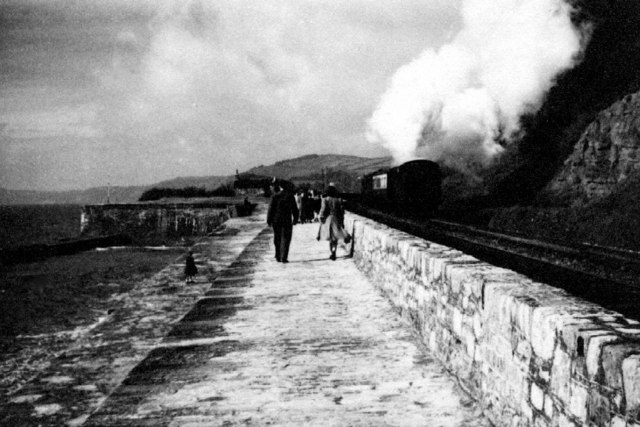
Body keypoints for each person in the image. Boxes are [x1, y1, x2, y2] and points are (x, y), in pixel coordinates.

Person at [267, 180, 299, 263]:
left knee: (277, 238)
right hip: (287, 220)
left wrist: (269, 220)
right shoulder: (290, 196)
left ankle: (278, 255)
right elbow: (295, 209)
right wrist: (295, 219)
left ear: (280, 187)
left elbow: (271, 209)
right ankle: (284, 257)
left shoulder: (275, 196)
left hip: (276, 220)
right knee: (286, 238)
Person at [317, 183, 350, 260]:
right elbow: (341, 212)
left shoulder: (325, 199)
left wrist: (321, 218)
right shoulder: (338, 200)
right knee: (335, 238)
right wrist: (341, 222)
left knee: (331, 237)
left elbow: (323, 210)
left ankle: (332, 252)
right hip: (336, 219)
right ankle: (334, 251)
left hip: (328, 219)